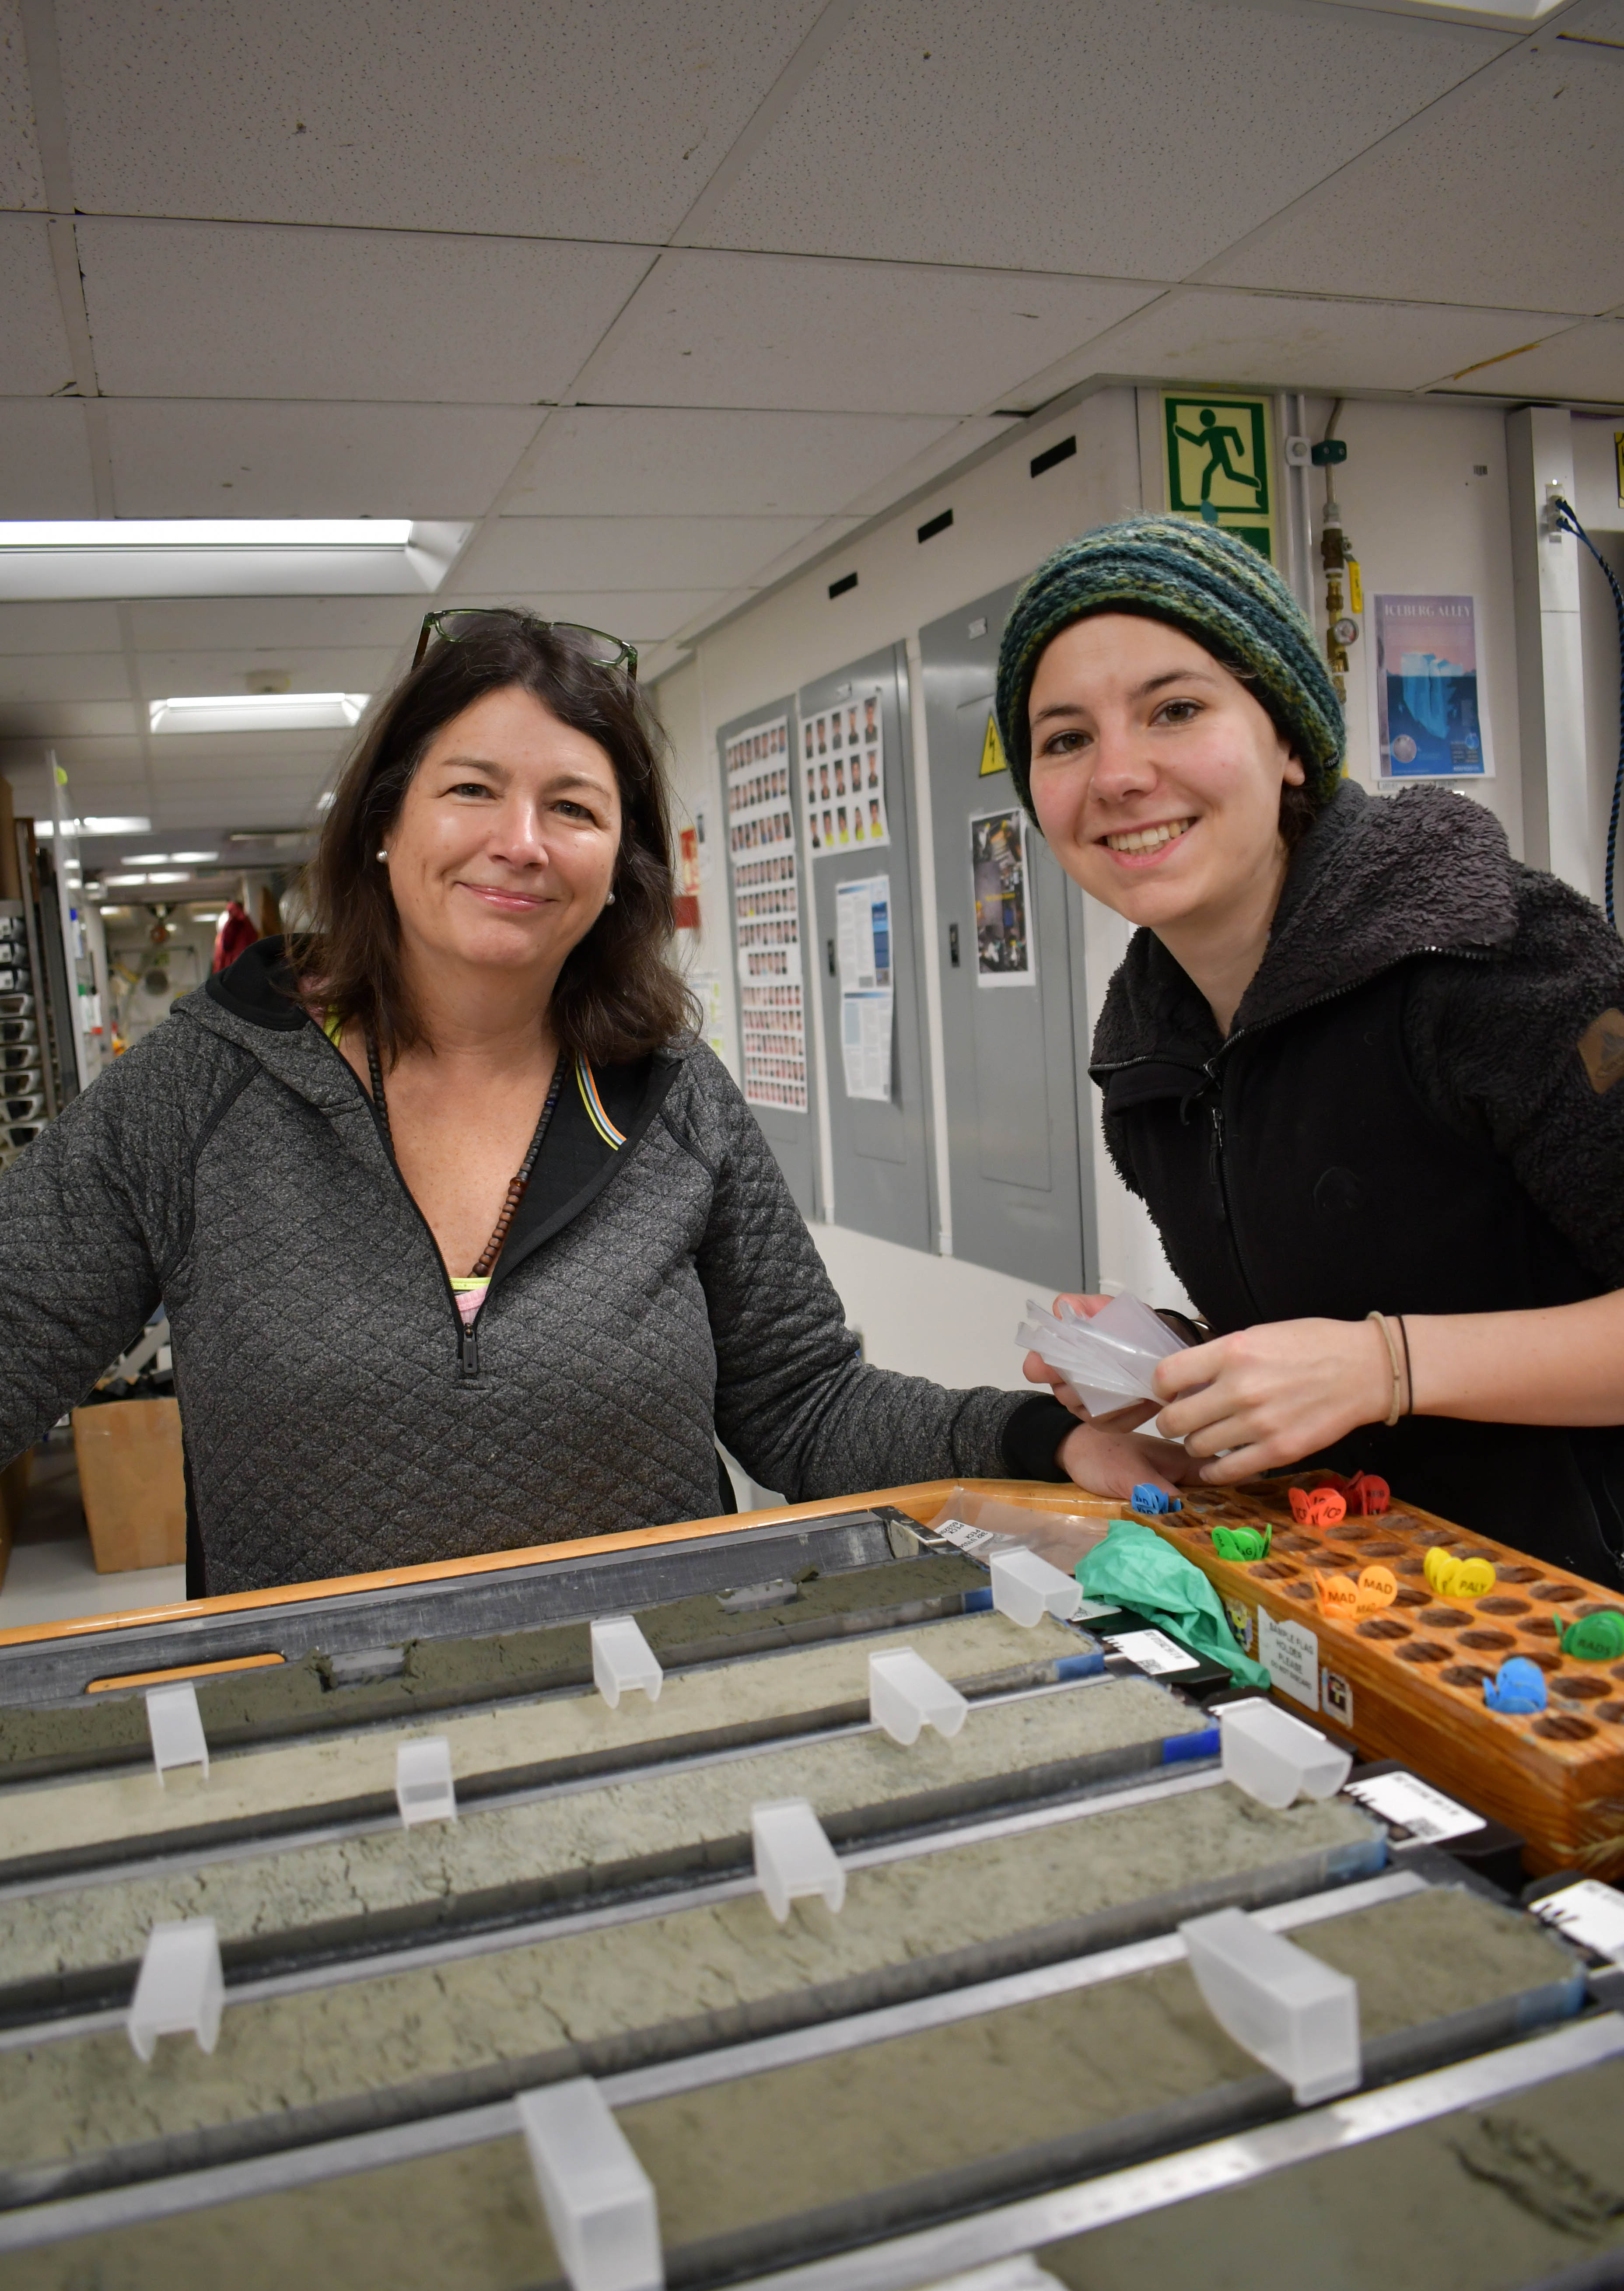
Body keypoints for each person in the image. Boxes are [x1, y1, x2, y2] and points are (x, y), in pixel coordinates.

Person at [0, 609, 1083, 1598]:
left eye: (571, 807)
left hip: (655, 1711)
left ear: (618, 866)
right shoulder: (202, 1090)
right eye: (471, 789)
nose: (519, 841)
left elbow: (805, 1406)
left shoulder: (673, 1098)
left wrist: (1043, 1438)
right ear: (386, 823)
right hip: (312, 1743)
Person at [997, 515, 1624, 1586]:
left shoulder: (1494, 958)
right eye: (1063, 739)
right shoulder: (1149, 1048)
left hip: (1578, 1622)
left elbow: (1375, 1355)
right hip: (1365, 1600)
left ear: (1288, 741)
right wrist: (1185, 1359)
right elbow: (1325, 1316)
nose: (1118, 775)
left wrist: (1384, 1366)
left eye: (1175, 709)